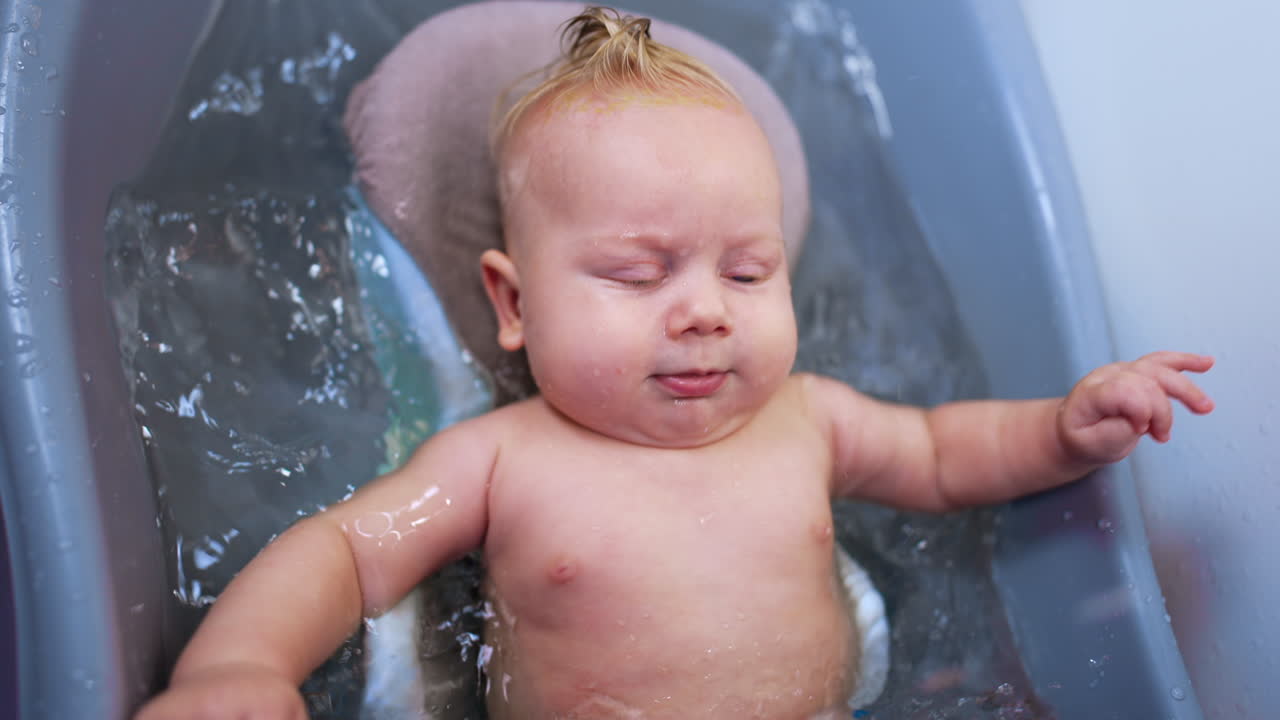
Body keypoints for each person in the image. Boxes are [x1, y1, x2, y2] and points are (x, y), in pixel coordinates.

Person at [135, 7, 1215, 720]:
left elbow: (938, 455)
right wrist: (242, 667)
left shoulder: (808, 420)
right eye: (639, 273)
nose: (702, 310)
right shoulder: (501, 462)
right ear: (512, 303)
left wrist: (1063, 428)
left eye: (745, 274)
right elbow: (344, 556)